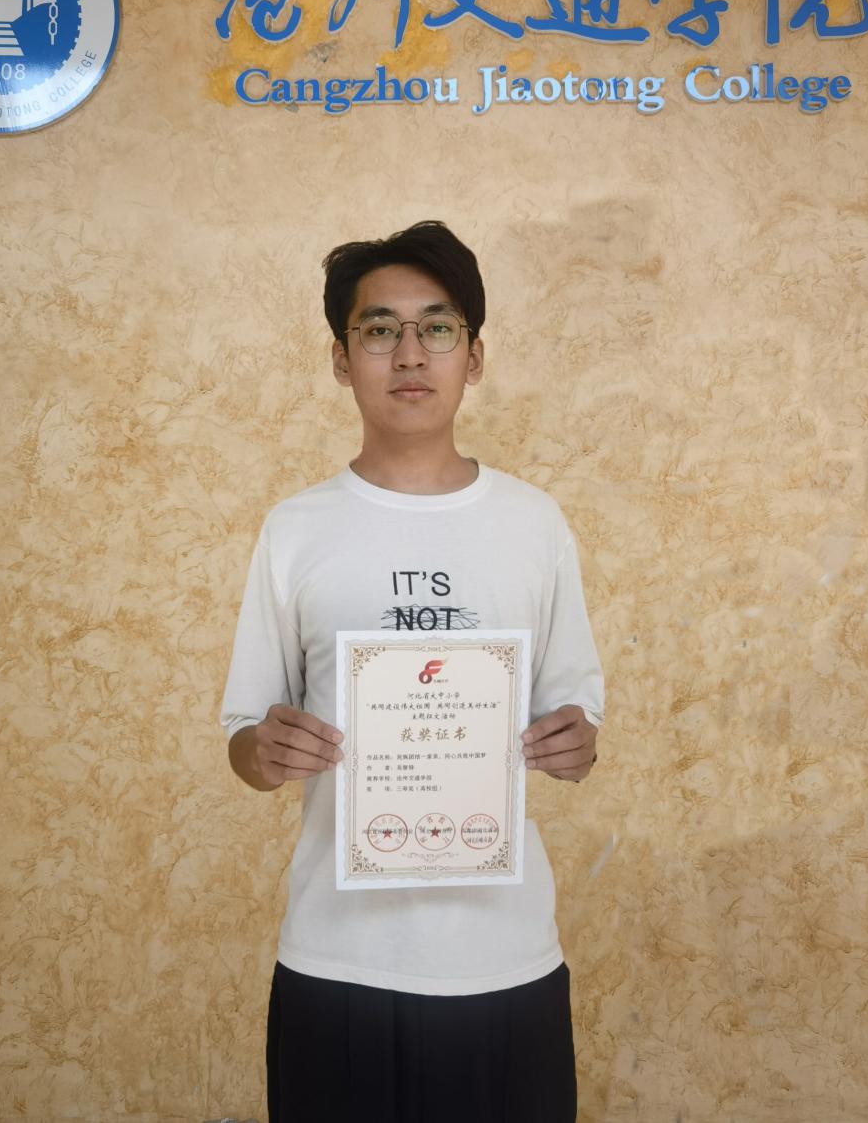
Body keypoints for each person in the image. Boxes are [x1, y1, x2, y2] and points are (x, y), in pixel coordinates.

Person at [220, 220, 605, 1123]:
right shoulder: (296, 528)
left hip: (505, 959)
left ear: (474, 356)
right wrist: (263, 751)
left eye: (437, 327)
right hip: (336, 961)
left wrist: (575, 744)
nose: (409, 353)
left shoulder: (534, 522)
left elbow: (577, 720)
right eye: (378, 329)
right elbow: (243, 736)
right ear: (340, 357)